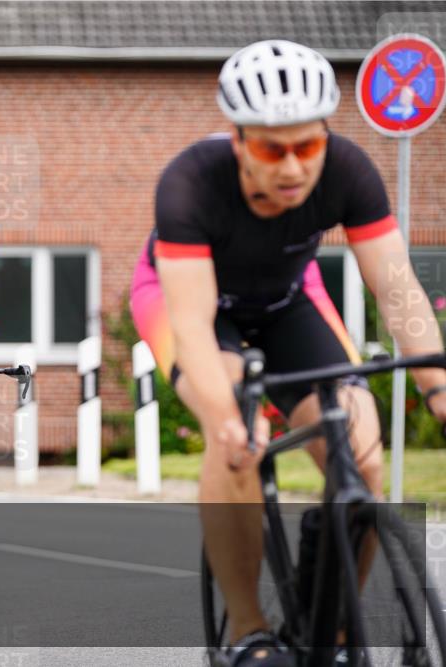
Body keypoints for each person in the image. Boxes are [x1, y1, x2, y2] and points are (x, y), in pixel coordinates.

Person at [129, 40, 446, 666]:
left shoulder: (350, 170)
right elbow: (192, 322)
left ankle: (328, 625)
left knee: (363, 448)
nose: (295, 166)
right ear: (240, 139)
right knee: (233, 434)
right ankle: (249, 634)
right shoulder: (190, 183)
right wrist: (225, 418)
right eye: (274, 149)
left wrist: (437, 387)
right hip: (189, 303)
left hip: (285, 301)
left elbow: (397, 288)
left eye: (309, 145)